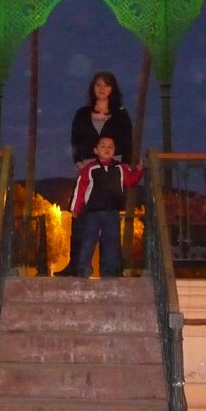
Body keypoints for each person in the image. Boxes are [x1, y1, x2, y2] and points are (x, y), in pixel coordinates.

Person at [55, 71, 133, 276]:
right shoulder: (82, 113)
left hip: (111, 173)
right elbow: (75, 139)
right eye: (98, 84)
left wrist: (125, 167)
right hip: (88, 170)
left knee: (110, 224)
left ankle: (113, 268)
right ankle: (77, 265)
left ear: (112, 88)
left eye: (106, 85)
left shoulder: (121, 114)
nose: (101, 88)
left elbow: (128, 142)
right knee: (80, 217)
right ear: (92, 88)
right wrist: (78, 161)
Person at [68, 136, 143, 278]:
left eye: (110, 146)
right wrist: (76, 208)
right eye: (103, 146)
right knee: (88, 241)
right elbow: (81, 189)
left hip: (112, 212)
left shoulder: (121, 168)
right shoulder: (89, 169)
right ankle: (83, 269)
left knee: (111, 242)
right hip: (92, 213)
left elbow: (131, 181)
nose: (107, 149)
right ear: (95, 150)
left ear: (114, 150)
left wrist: (139, 171)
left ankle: (109, 271)